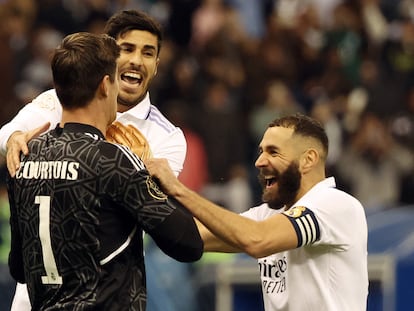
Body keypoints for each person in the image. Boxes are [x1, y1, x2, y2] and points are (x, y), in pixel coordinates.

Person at [0, 10, 190, 311]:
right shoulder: (61, 100)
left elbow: (156, 213)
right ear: (108, 57)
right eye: (127, 49)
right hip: (32, 297)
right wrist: (13, 140)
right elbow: (9, 133)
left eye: (148, 53)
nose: (137, 61)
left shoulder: (167, 137)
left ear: (157, 64)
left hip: (102, 291)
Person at [145, 114, 369, 311]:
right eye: (261, 151)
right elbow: (188, 236)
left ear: (307, 159)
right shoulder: (269, 215)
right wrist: (136, 193)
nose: (259, 161)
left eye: (273, 152)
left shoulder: (335, 206)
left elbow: (257, 240)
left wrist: (177, 189)